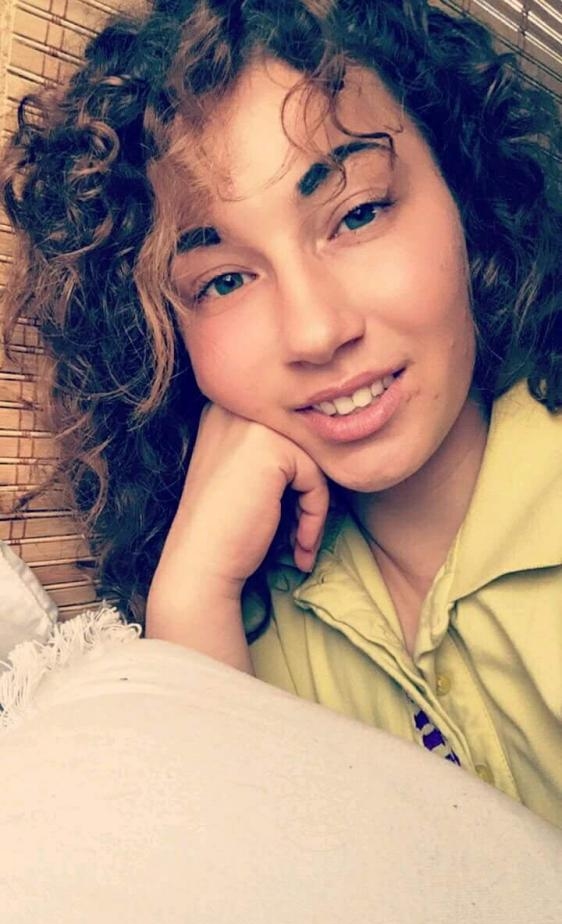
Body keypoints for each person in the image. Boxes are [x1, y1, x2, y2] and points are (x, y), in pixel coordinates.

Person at [1, 0, 560, 827]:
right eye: (224, 280)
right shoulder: (243, 620)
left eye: (358, 214)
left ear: (467, 196)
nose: (315, 331)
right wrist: (190, 603)